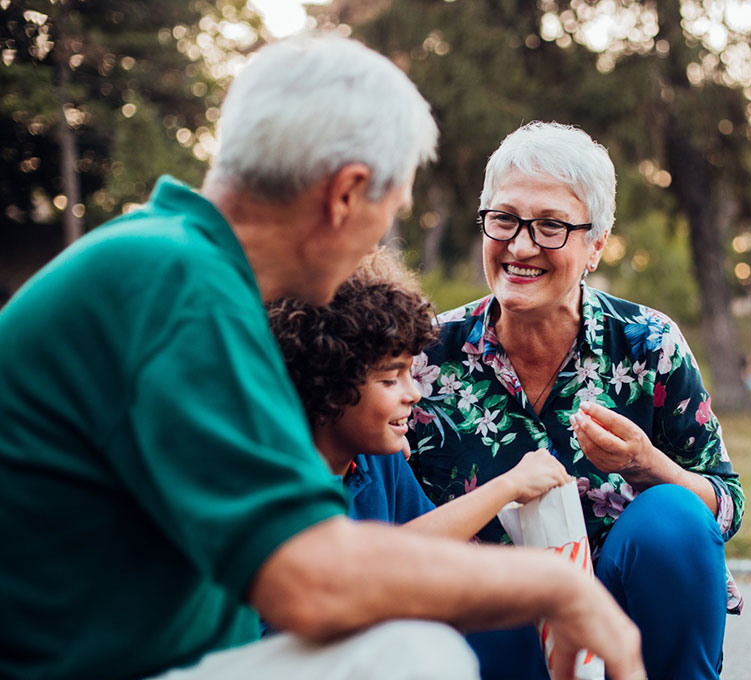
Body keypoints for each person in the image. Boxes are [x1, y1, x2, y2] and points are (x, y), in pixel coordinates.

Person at [0, 37, 645, 680]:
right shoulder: (178, 289)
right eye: (389, 211)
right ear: (345, 196)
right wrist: (556, 586)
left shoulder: (168, 261)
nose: (378, 239)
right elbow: (310, 578)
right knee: (416, 656)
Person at [408, 121, 745, 680]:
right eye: (505, 219)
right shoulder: (423, 356)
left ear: (595, 245)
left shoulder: (647, 342)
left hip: (616, 617)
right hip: (481, 622)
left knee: (675, 517)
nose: (520, 245)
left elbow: (724, 506)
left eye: (550, 227)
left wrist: (646, 465)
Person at [267, 247, 571, 536]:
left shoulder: (379, 458)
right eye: (389, 380)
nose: (413, 393)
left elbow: (429, 546)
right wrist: (510, 485)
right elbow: (385, 560)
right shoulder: (287, 484)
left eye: (409, 373)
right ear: (324, 387)